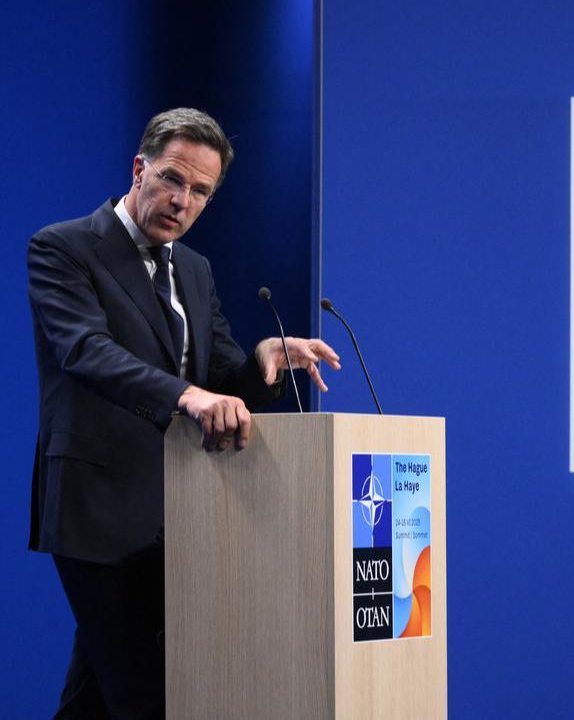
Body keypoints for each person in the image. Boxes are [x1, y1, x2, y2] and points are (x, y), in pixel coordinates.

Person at [27, 108, 340, 718]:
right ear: (138, 169)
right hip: (101, 508)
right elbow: (86, 350)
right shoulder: (64, 247)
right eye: (172, 178)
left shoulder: (193, 269)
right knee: (151, 694)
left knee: (96, 698)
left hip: (183, 512)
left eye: (200, 191)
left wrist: (262, 361)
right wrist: (185, 396)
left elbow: (217, 376)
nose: (182, 200)